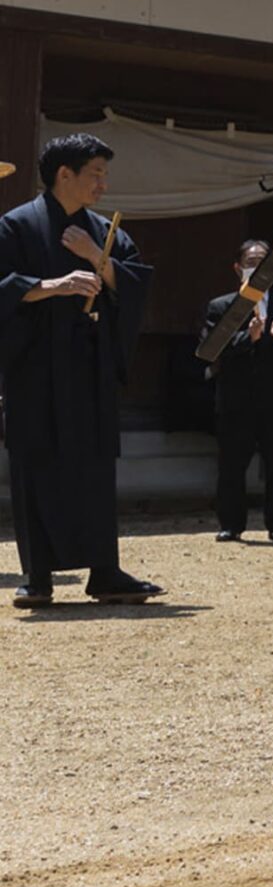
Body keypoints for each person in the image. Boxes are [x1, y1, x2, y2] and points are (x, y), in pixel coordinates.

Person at [1, 133, 161, 609]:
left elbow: (134, 284)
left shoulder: (102, 229)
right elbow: (2, 287)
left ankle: (105, 572)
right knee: (36, 464)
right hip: (35, 366)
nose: (103, 185)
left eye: (104, 175)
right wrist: (55, 285)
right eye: (95, 173)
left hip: (88, 365)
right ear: (63, 174)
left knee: (93, 469)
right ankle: (38, 575)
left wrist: (98, 259)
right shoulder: (16, 226)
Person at [203, 236, 273, 543]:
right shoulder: (222, 306)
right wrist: (249, 337)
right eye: (251, 263)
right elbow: (212, 347)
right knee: (232, 465)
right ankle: (231, 524)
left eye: (263, 263)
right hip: (237, 400)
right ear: (238, 268)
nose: (257, 268)